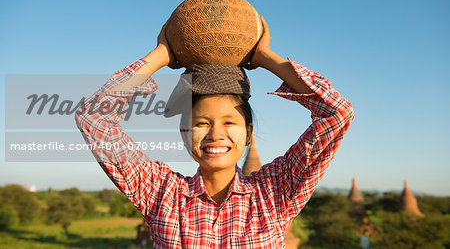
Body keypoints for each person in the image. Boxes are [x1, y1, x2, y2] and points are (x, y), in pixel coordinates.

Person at [75, 16, 354, 248]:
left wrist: (267, 57)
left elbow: (336, 114)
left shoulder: (274, 192)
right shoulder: (161, 194)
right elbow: (92, 118)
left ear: (248, 132)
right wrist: (159, 55)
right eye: (201, 123)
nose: (215, 134)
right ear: (184, 133)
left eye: (229, 123)